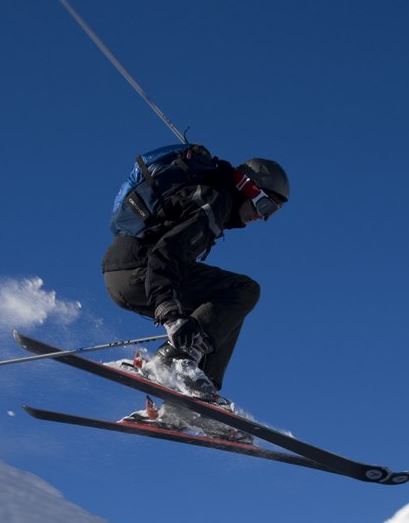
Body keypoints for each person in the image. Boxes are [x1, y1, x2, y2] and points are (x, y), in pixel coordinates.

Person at [101, 150, 289, 400]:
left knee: (227, 312)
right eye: (266, 206)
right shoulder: (214, 202)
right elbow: (166, 253)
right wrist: (169, 311)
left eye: (271, 214)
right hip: (137, 271)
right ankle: (174, 360)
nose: (261, 217)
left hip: (128, 273)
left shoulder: (212, 200)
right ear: (249, 187)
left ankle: (198, 389)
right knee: (243, 291)